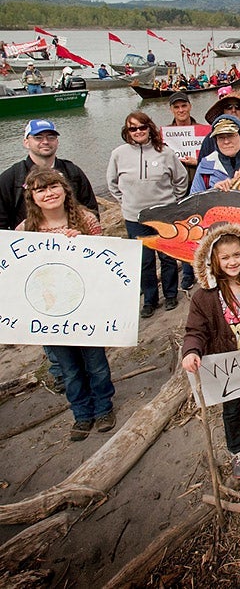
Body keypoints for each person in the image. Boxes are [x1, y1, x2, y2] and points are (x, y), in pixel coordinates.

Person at [18, 168, 116, 440]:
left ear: (65, 190)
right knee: (69, 369)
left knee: (96, 362)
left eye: (53, 187)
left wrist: (82, 242)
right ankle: (82, 414)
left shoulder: (86, 220)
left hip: (86, 307)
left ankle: (104, 407)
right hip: (51, 312)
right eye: (41, 189)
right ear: (32, 197)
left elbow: (104, 263)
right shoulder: (25, 230)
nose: (49, 193)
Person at [181, 224, 240, 479]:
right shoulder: (204, 297)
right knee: (231, 408)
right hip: (224, 368)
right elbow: (196, 330)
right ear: (214, 260)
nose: (232, 261)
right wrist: (191, 351)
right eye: (225, 257)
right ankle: (236, 448)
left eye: (237, 255)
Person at [107, 112, 189, 318]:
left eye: (142, 127)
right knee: (144, 260)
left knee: (168, 257)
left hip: (164, 214)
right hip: (135, 217)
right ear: (127, 132)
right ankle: (150, 300)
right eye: (133, 129)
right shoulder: (118, 154)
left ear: (149, 128)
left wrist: (173, 202)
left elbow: (181, 179)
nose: (138, 132)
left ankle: (171, 294)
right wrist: (126, 202)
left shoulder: (165, 153)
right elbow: (112, 183)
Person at [0, 119, 98, 231]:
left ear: (57, 142)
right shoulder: (11, 178)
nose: (45, 141)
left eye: (51, 137)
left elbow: (91, 207)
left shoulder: (73, 172)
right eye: (38, 137)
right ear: (26, 142)